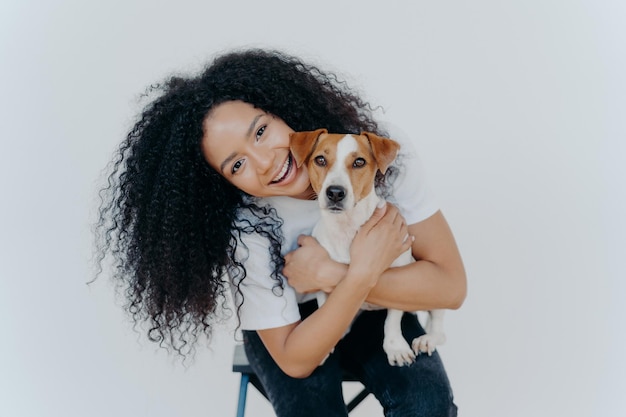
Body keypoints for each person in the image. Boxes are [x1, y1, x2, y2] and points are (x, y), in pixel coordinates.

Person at [95, 48, 467, 417]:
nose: (265, 161)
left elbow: (450, 288)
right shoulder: (249, 226)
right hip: (293, 327)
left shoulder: (374, 155)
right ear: (222, 183)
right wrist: (361, 273)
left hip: (380, 305)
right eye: (237, 164)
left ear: (281, 106)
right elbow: (294, 361)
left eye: (260, 131)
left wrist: (334, 275)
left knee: (427, 405)